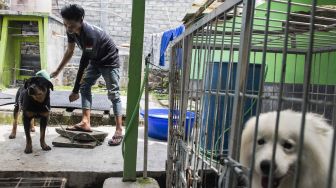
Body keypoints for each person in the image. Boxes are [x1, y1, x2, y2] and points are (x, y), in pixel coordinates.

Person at [51, 4, 123, 146]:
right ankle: (85, 122)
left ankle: (119, 129)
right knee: (85, 87)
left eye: (71, 25)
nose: (68, 28)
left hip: (109, 60)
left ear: (81, 20)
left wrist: (75, 90)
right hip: (95, 60)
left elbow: (84, 63)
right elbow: (70, 51)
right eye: (65, 25)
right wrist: (58, 70)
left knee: (113, 94)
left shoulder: (89, 35)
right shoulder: (70, 30)